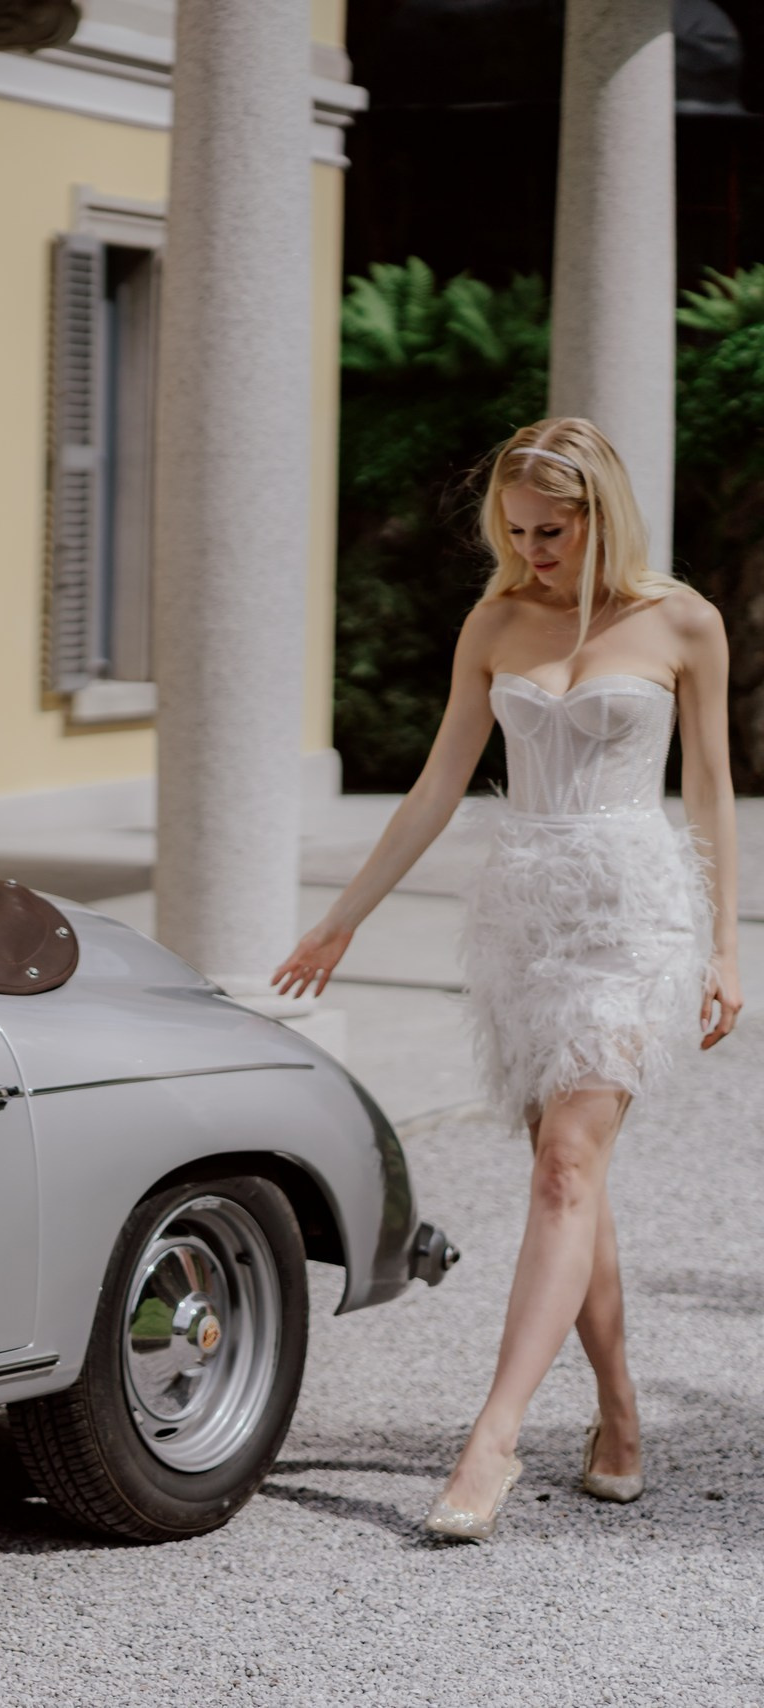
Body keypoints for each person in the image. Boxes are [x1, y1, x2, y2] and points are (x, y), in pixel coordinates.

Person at [273, 416, 740, 1541]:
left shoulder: (681, 620)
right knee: (567, 1173)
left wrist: (726, 943)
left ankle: (493, 1434)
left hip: (632, 911)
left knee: (565, 1168)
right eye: (516, 530)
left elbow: (715, 787)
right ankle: (619, 1415)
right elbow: (437, 784)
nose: (532, 550)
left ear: (601, 514)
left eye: (552, 530)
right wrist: (341, 919)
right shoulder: (492, 619)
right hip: (525, 914)